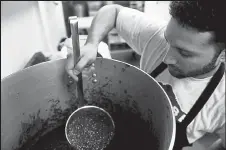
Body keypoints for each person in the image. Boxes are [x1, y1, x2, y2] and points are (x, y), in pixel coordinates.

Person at [63, 1, 225, 150]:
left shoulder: (221, 101)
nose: (166, 58)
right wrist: (92, 43)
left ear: (222, 54)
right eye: (168, 42)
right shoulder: (158, 36)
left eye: (184, 53)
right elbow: (112, 12)